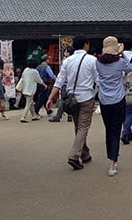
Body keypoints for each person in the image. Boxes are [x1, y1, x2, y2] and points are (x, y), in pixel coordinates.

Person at [46, 36, 99, 170]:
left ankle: (85, 154)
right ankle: (74, 155)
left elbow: (60, 80)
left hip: (71, 98)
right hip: (86, 97)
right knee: (83, 127)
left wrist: (50, 98)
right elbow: (98, 80)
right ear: (86, 45)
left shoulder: (67, 61)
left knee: (78, 127)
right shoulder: (92, 60)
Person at [96, 36, 132, 176]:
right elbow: (129, 69)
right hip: (118, 99)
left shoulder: (98, 63)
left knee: (108, 130)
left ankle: (111, 158)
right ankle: (113, 163)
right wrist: (122, 54)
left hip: (104, 100)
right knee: (116, 130)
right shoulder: (121, 62)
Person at [49, 46, 74, 123]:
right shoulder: (76, 60)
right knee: (70, 99)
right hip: (73, 84)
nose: (64, 53)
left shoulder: (65, 61)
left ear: (68, 52)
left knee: (62, 100)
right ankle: (70, 115)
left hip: (65, 83)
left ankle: (58, 116)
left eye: (65, 51)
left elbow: (62, 74)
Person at [18, 58, 47, 123]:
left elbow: (22, 78)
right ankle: (23, 117)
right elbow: (39, 80)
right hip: (30, 90)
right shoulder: (35, 71)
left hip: (24, 89)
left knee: (30, 103)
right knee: (28, 104)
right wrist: (44, 85)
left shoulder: (26, 70)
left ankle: (34, 115)